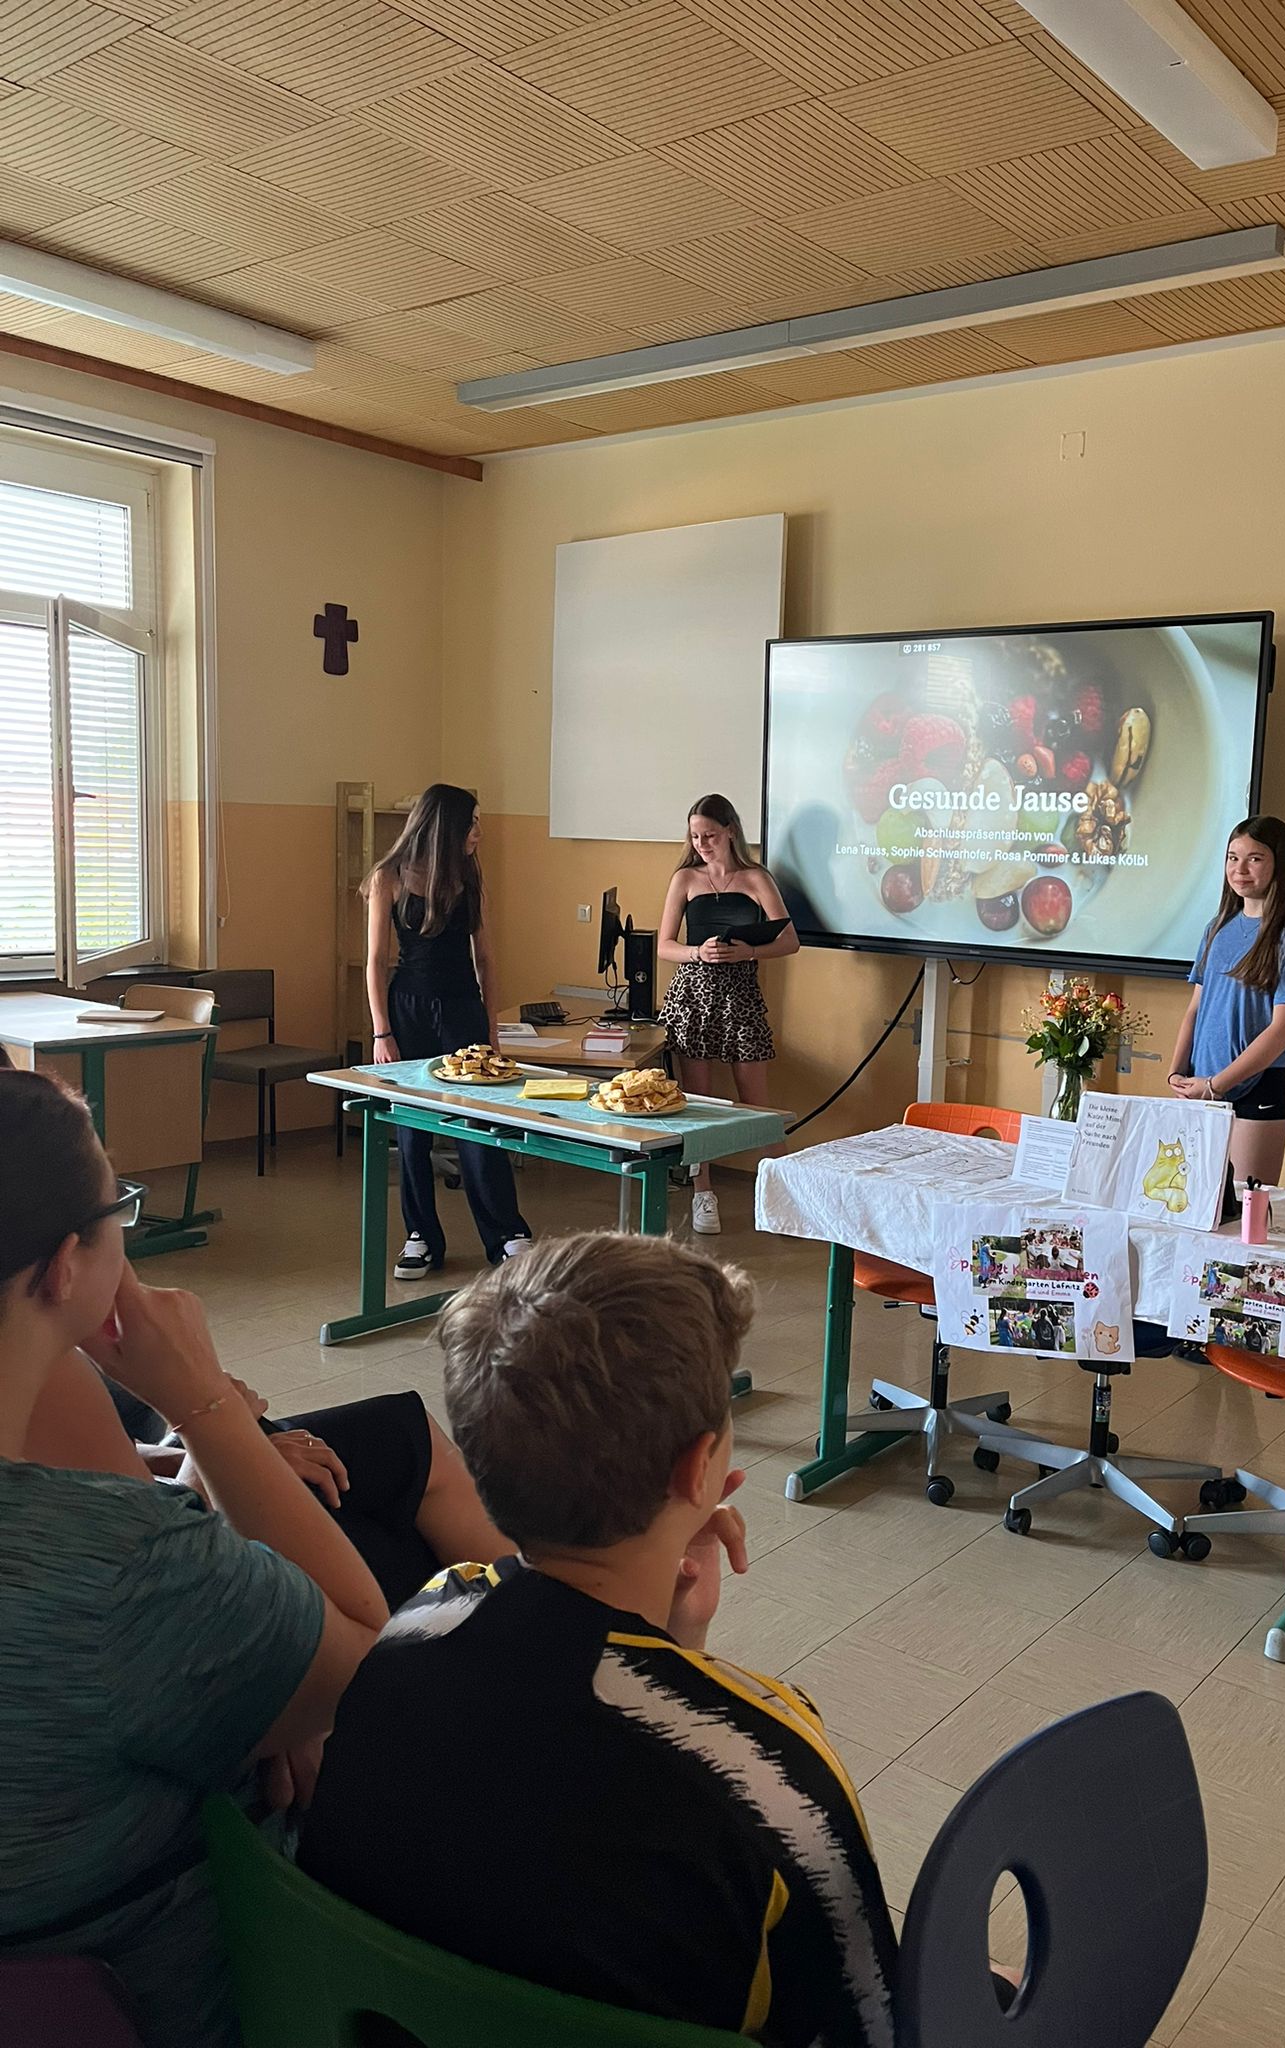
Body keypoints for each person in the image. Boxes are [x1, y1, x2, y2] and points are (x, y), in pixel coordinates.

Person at [299, 1233, 898, 2047]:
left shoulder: (420, 1622)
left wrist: (675, 1645)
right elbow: (873, 2022)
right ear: (700, 1469)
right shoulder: (768, 1768)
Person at [0, 1069, 389, 2048]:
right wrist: (201, 1397)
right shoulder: (116, 1563)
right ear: (65, 1267)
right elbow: (361, 1664)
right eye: (117, 1210)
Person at [29, 1354, 511, 1615]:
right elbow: (152, 1556)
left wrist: (226, 1446)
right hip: (168, 1579)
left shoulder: (44, 1364)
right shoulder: (44, 1377)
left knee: (396, 1434)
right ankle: (519, 1618)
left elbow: (112, 1458)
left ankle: (519, 1608)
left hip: (163, 1503)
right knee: (394, 1466)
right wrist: (211, 1434)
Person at [363, 782, 532, 1279]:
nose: (479, 832)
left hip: (462, 1007)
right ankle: (420, 1236)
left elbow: (485, 958)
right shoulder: (389, 876)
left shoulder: (469, 876)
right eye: (472, 822)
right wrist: (381, 1032)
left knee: (480, 1120)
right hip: (409, 1008)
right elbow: (375, 960)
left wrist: (491, 1028)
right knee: (411, 1127)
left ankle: (506, 1234)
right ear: (447, 827)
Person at [657, 793, 800, 1234]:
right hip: (694, 995)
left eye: (710, 836)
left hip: (742, 996)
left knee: (756, 1104)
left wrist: (749, 951)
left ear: (731, 831)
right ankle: (703, 1193)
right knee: (698, 1103)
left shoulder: (756, 878)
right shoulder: (685, 878)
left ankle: (780, 1196)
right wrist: (697, 952)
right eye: (695, 837)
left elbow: (790, 941)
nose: (702, 844)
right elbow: (664, 945)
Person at [1169, 815, 1285, 1186]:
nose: (1240, 869)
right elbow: (1195, 1010)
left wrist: (1218, 1084)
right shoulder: (1217, 927)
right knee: (1197, 1198)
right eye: (1233, 858)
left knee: (1247, 1205)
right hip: (1202, 1085)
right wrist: (1177, 1073)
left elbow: (1284, 1029)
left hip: (1258, 1088)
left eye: (1255, 859)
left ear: (1279, 864)